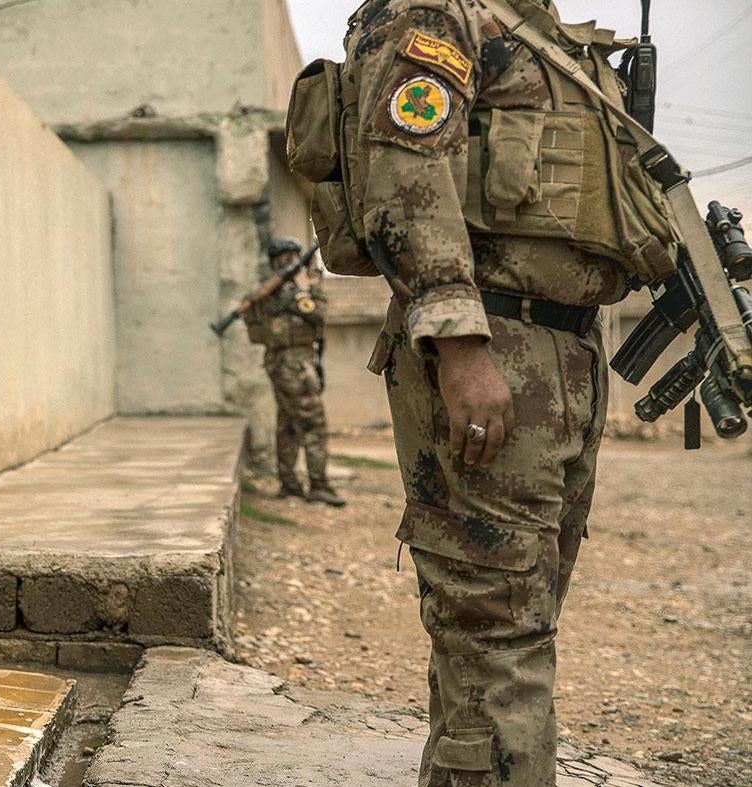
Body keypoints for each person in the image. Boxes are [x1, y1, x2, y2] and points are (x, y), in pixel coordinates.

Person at [335, 0, 682, 783]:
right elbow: (404, 171)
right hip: (493, 347)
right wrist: (460, 345)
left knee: (515, 623)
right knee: (498, 631)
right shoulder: (440, 12)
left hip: (566, 351)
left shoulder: (550, 34)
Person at [242, 236, 345, 507]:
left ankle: (289, 482)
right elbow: (319, 314)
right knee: (313, 424)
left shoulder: (264, 294)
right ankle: (319, 484)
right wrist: (315, 281)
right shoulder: (291, 293)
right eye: (290, 258)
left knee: (287, 423)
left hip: (278, 363)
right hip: (295, 365)